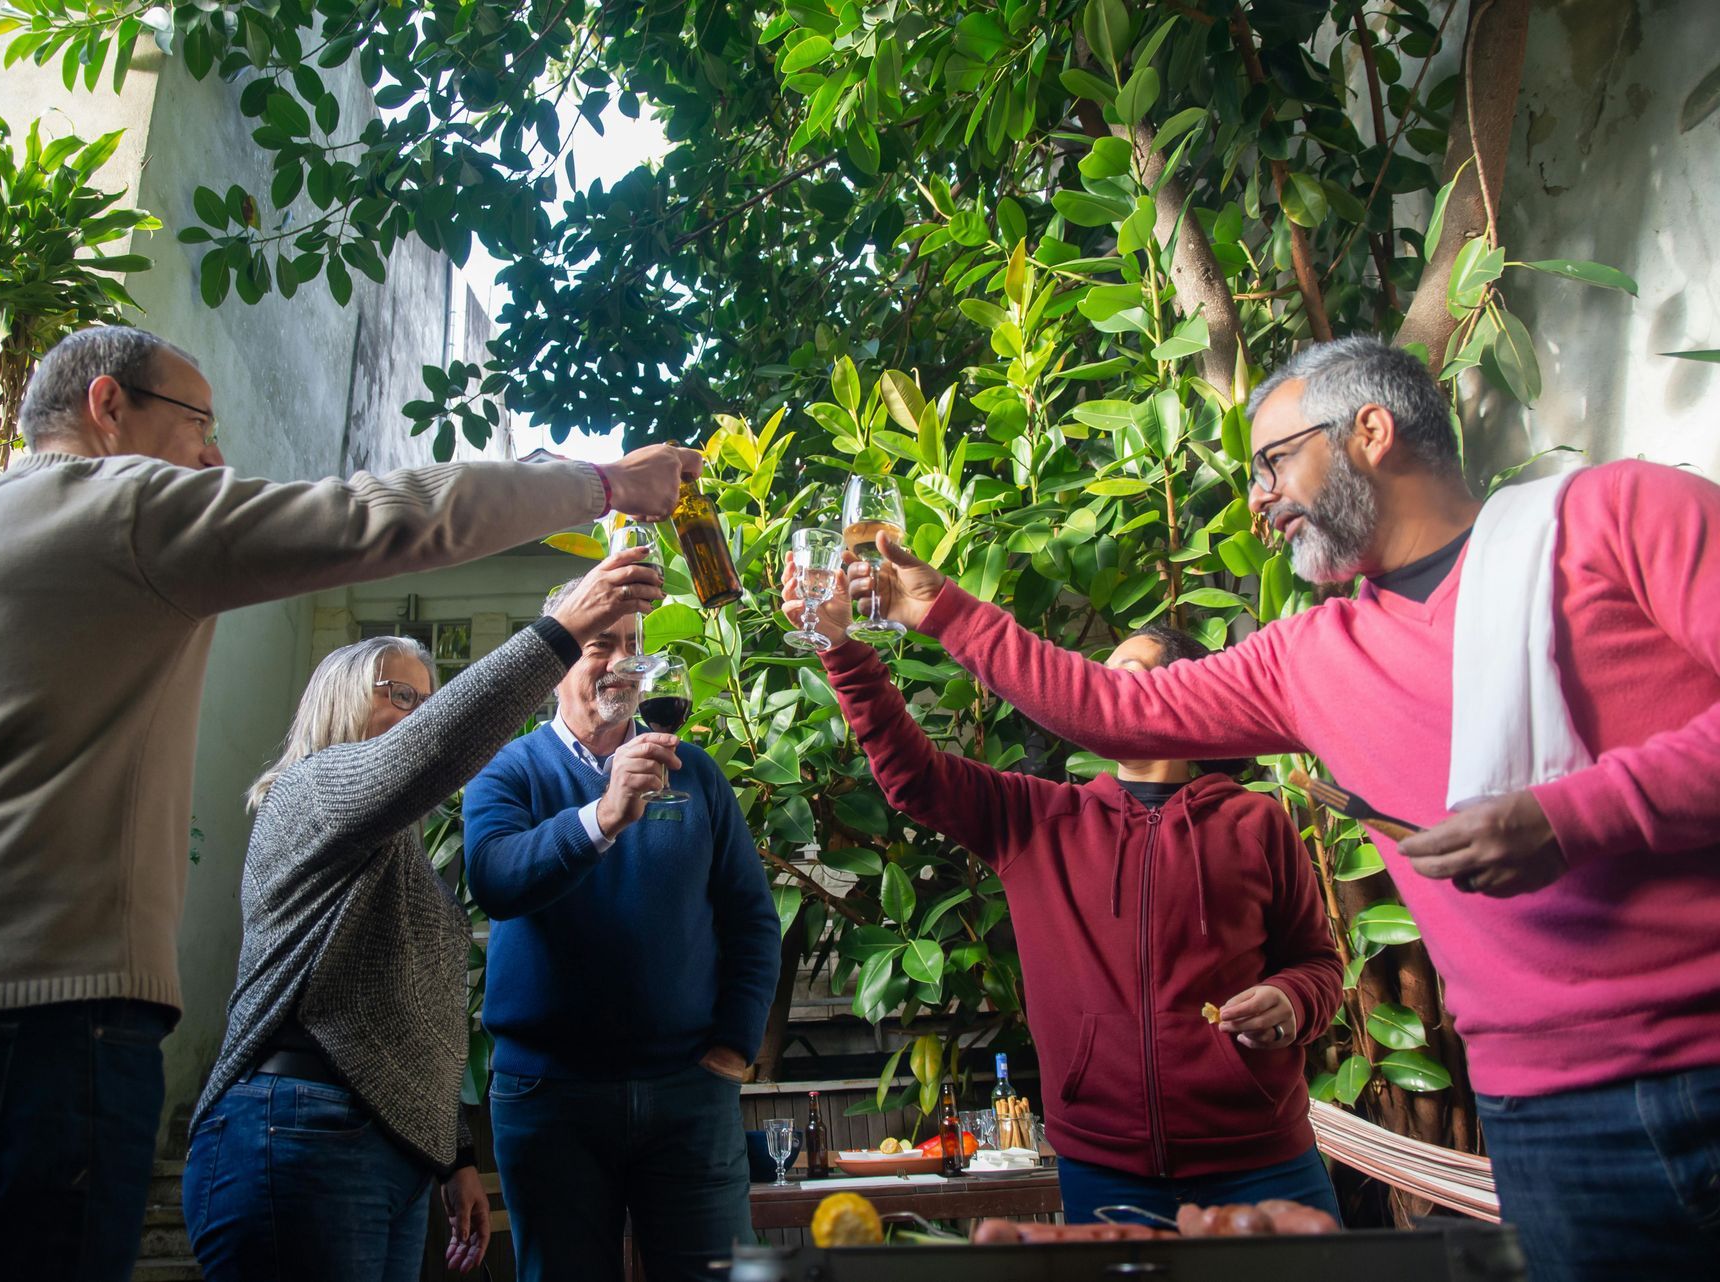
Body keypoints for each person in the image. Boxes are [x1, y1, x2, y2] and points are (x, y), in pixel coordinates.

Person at [0, 323, 698, 1280]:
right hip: (39, 1039)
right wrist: (606, 485)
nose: (214, 457)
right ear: (108, 407)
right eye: (197, 423)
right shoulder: (120, 506)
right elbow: (374, 515)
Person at [824, 336, 1720, 1281]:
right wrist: (943, 609)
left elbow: (1314, 961)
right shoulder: (1310, 657)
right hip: (1545, 1118)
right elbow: (1108, 708)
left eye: (1273, 461)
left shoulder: (1622, 515)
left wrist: (1570, 818)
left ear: (1370, 430)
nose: (1257, 498)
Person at [779, 569, 1344, 1222]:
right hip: (1108, 1172)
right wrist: (841, 647)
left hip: (1265, 1157)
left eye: (1126, 672)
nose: (1102, 689)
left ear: (1185, 695)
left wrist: (1292, 1000)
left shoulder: (1258, 823)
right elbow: (913, 777)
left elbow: (1319, 965)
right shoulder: (1039, 820)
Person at [183, 547, 658, 1282]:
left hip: (385, 1149)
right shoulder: (311, 789)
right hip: (296, 1127)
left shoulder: (398, 849)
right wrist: (563, 629)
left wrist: (454, 1156)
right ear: (338, 701)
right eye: (400, 695)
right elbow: (438, 751)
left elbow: (411, 1015)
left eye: (427, 697)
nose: (421, 712)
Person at [460, 589, 780, 1282]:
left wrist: (733, 1048)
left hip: (688, 1093)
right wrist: (602, 817)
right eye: (598, 644)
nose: (622, 662)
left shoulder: (697, 776)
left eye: (633, 644)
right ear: (552, 660)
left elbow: (752, 919)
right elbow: (494, 879)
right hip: (550, 1099)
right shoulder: (506, 771)